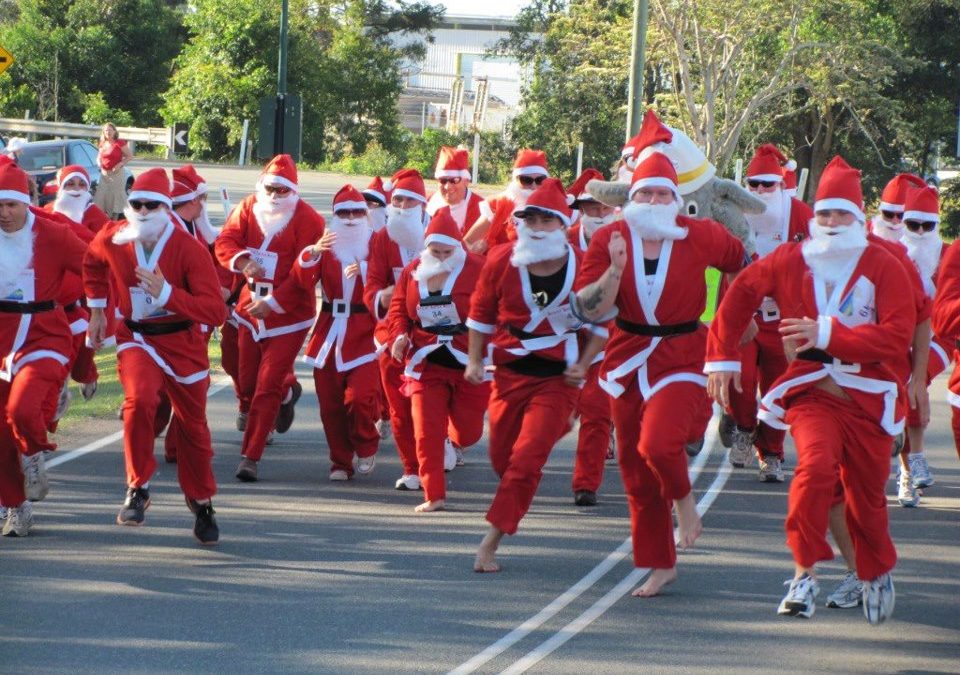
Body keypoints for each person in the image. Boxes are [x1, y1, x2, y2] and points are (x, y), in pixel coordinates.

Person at [705, 156, 914, 625]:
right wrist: (720, 354)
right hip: (811, 392)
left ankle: (875, 572)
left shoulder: (884, 263)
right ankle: (804, 575)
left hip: (868, 395)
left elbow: (897, 335)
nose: (833, 222)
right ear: (812, 218)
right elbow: (740, 292)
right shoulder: (791, 258)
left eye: (842, 214)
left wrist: (828, 334)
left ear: (860, 219)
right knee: (814, 468)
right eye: (824, 213)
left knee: (866, 499)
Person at [574, 150, 745, 596]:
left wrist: (736, 322)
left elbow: (742, 265)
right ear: (630, 198)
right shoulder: (610, 237)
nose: (652, 199)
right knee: (633, 468)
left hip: (685, 352)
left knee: (659, 441)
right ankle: (659, 563)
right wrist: (614, 270)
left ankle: (685, 503)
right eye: (644, 192)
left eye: (661, 192)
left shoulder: (701, 234)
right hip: (628, 354)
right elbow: (588, 307)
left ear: (675, 198)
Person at [465, 177, 604, 572]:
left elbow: (602, 325)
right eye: (531, 218)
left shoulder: (584, 263)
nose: (537, 226)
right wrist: (475, 361)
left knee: (526, 462)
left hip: (559, 378)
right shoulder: (502, 259)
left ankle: (490, 543)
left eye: (547, 220)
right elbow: (479, 315)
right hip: (509, 373)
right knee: (502, 459)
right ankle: (553, 428)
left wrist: (584, 362)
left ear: (563, 224)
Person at [83, 168, 226, 543]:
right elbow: (92, 261)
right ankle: (138, 487)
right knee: (139, 399)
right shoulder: (115, 237)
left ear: (166, 209)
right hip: (137, 338)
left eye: (153, 204)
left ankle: (201, 501)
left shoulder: (189, 249)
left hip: (182, 342)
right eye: (137, 204)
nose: (143, 210)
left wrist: (167, 295)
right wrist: (97, 310)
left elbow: (215, 311)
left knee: (193, 427)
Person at [214, 155, 324, 482]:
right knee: (247, 382)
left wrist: (274, 303)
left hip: (289, 315)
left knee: (266, 385)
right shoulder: (248, 207)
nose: (275, 195)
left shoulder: (310, 220)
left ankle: (250, 456)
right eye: (271, 188)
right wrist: (243, 260)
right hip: (250, 308)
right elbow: (225, 241)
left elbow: (305, 276)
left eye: (282, 189)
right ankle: (288, 395)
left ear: (293, 191)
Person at [0, 161, 87, 537]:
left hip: (44, 334)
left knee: (21, 411)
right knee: (1, 434)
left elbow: (95, 266)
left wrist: (98, 314)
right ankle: (15, 505)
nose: (4, 214)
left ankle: (34, 450)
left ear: (27, 203)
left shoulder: (53, 235)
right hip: (2, 339)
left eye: (11, 205)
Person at [387, 208, 489, 510]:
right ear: (427, 246)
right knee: (425, 431)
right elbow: (398, 309)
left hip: (468, 359)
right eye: (435, 250)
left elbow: (495, 312)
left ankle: (454, 439)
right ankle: (433, 494)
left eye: (448, 251)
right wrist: (399, 336)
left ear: (458, 247)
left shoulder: (479, 268)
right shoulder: (413, 269)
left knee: (468, 431)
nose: (442, 256)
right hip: (425, 360)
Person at [722, 144, 813, 481]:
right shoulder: (734, 214)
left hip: (783, 318)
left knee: (777, 387)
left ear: (781, 184)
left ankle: (771, 453)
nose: (759, 192)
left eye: (767, 185)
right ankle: (745, 427)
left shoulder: (800, 214)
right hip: (742, 314)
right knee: (740, 380)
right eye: (753, 184)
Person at [300, 186, 380, 480]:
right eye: (343, 213)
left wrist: (366, 268)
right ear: (334, 216)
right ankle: (340, 462)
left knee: (360, 398)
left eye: (357, 212)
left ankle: (366, 442)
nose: (349, 218)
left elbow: (397, 276)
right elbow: (302, 281)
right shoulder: (326, 244)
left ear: (366, 214)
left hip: (364, 332)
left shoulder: (377, 242)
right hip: (329, 333)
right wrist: (311, 254)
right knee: (330, 404)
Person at [364, 168, 435, 489]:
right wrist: (386, 296)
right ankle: (412, 468)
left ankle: (437, 449)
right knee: (399, 407)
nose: (402, 206)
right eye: (398, 200)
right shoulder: (382, 238)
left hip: (434, 332)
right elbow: (373, 285)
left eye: (409, 201)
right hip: (391, 331)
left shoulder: (439, 232)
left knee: (430, 406)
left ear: (422, 205)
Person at [566, 168, 617, 505]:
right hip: (562, 341)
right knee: (555, 416)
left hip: (606, 341)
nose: (597, 214)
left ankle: (586, 483)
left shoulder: (625, 241)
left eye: (604, 208)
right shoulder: (561, 240)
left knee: (598, 412)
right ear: (580, 210)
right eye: (590, 208)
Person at [43, 165, 109, 404]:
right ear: (60, 187)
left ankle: (86, 375)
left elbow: (108, 252)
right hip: (51, 301)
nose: (76, 190)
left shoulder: (96, 217)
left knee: (85, 351)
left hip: (86, 296)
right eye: (70, 184)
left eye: (81, 184)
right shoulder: (47, 212)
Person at [462, 149, 549, 254]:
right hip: (504, 269)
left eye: (540, 180)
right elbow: (467, 243)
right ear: (515, 179)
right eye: (526, 180)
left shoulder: (556, 206)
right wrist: (475, 250)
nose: (533, 186)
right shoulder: (497, 205)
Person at [425, 146, 486, 232]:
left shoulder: (482, 209)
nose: (447, 186)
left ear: (466, 181)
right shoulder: (427, 203)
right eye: (443, 180)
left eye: (454, 180)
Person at [868, 173, 927, 243]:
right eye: (888, 214)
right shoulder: (864, 231)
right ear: (881, 211)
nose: (894, 221)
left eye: (901, 215)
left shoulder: (919, 238)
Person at [93, 123, 133, 219]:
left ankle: (115, 219)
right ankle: (103, 219)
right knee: (101, 195)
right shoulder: (102, 142)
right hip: (104, 174)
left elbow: (129, 156)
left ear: (114, 131)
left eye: (110, 130)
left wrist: (120, 164)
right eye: (106, 130)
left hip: (117, 174)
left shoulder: (119, 143)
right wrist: (99, 163)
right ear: (103, 132)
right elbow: (99, 156)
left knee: (116, 196)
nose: (108, 132)